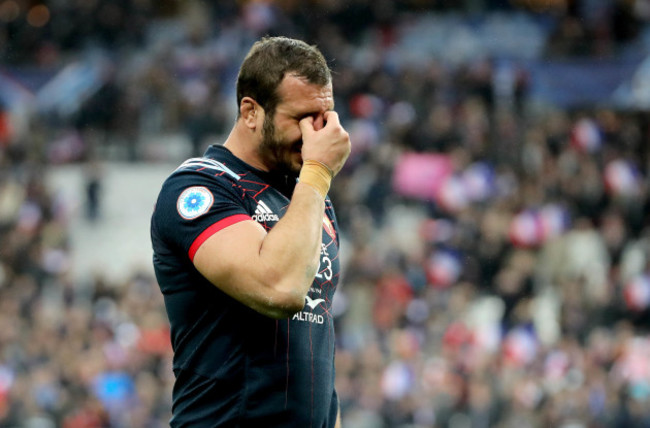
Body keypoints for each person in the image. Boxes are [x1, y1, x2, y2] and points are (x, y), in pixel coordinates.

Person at [150, 36, 351, 427]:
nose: (318, 133)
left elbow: (316, 351)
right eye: (303, 118)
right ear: (251, 112)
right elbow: (280, 289)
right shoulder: (200, 188)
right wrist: (318, 173)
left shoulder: (309, 197)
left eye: (324, 117)